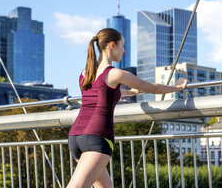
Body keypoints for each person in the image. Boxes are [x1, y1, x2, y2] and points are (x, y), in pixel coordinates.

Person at [67, 28, 188, 188]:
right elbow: (154, 88)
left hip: (76, 137)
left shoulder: (85, 73)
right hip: (97, 138)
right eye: (122, 46)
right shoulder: (116, 74)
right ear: (112, 45)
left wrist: (130, 92)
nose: (124, 51)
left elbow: (103, 92)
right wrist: (177, 88)